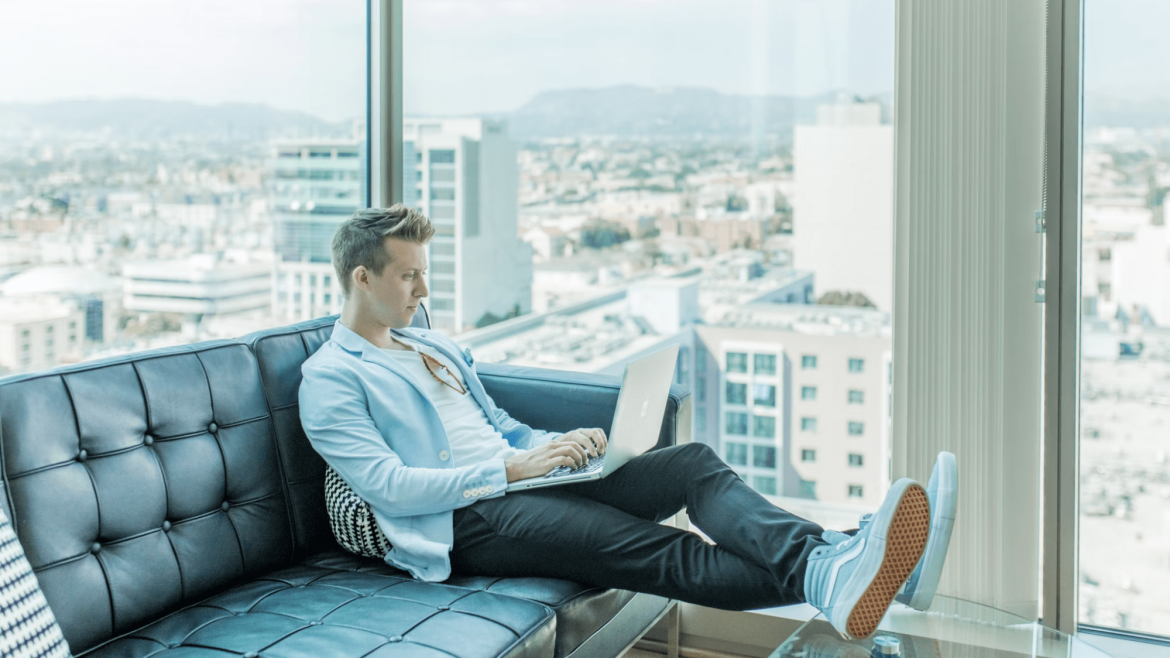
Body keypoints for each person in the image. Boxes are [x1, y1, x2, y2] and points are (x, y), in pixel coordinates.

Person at [299, 206, 958, 640]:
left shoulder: (430, 344)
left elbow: (494, 420)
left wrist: (553, 448)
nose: (422, 291)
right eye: (409, 276)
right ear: (361, 278)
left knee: (693, 464)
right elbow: (389, 486)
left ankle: (842, 564)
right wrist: (510, 468)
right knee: (656, 549)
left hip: (525, 481)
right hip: (467, 519)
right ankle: (854, 562)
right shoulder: (330, 379)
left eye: (424, 274)